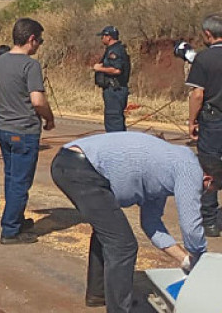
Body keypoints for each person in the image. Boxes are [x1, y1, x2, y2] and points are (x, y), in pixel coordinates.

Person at [50, 132, 219, 312]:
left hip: (72, 163)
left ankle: (98, 294)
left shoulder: (165, 174)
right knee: (123, 245)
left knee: (110, 232)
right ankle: (119, 309)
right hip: (80, 167)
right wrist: (201, 260)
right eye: (208, 191)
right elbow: (191, 228)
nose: (203, 195)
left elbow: (151, 223)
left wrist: (185, 259)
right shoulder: (190, 168)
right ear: (207, 180)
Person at [0, 18, 55, 245]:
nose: (39, 45)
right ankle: (10, 231)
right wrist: (49, 118)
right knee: (21, 181)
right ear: (31, 39)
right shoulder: (30, 66)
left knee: (11, 178)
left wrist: (0, 104)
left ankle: (16, 219)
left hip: (4, 130)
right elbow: (37, 100)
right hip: (24, 131)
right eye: (39, 40)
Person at [187, 13, 222, 237]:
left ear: (208, 34)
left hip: (213, 120)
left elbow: (198, 95)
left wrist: (191, 121)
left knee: (209, 169)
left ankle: (209, 222)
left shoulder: (203, 58)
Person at [93, 26, 131, 132]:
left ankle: (115, 146)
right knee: (114, 119)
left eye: (103, 36)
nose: (102, 39)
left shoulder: (115, 51)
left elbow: (117, 70)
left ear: (109, 37)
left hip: (115, 90)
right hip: (113, 90)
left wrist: (100, 68)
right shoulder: (113, 49)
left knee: (113, 120)